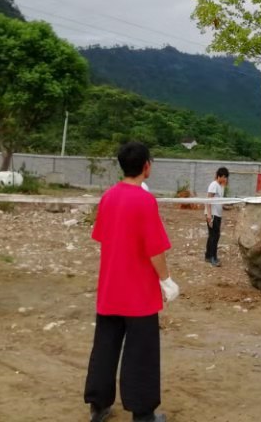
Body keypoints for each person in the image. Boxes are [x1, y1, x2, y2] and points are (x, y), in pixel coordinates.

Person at [84, 141, 178, 422]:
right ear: (146, 166)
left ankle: (98, 405)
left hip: (110, 287)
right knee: (141, 353)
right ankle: (143, 413)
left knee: (104, 347)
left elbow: (103, 236)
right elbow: (154, 249)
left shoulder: (108, 197)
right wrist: (166, 280)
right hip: (139, 293)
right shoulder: (145, 201)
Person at [204, 167, 229, 267]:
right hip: (213, 214)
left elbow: (218, 200)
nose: (225, 179)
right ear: (220, 176)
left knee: (213, 235)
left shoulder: (221, 186)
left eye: (226, 177)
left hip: (218, 214)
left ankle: (208, 255)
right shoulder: (214, 185)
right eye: (224, 177)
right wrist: (209, 215)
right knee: (214, 236)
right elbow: (208, 200)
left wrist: (225, 206)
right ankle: (213, 257)